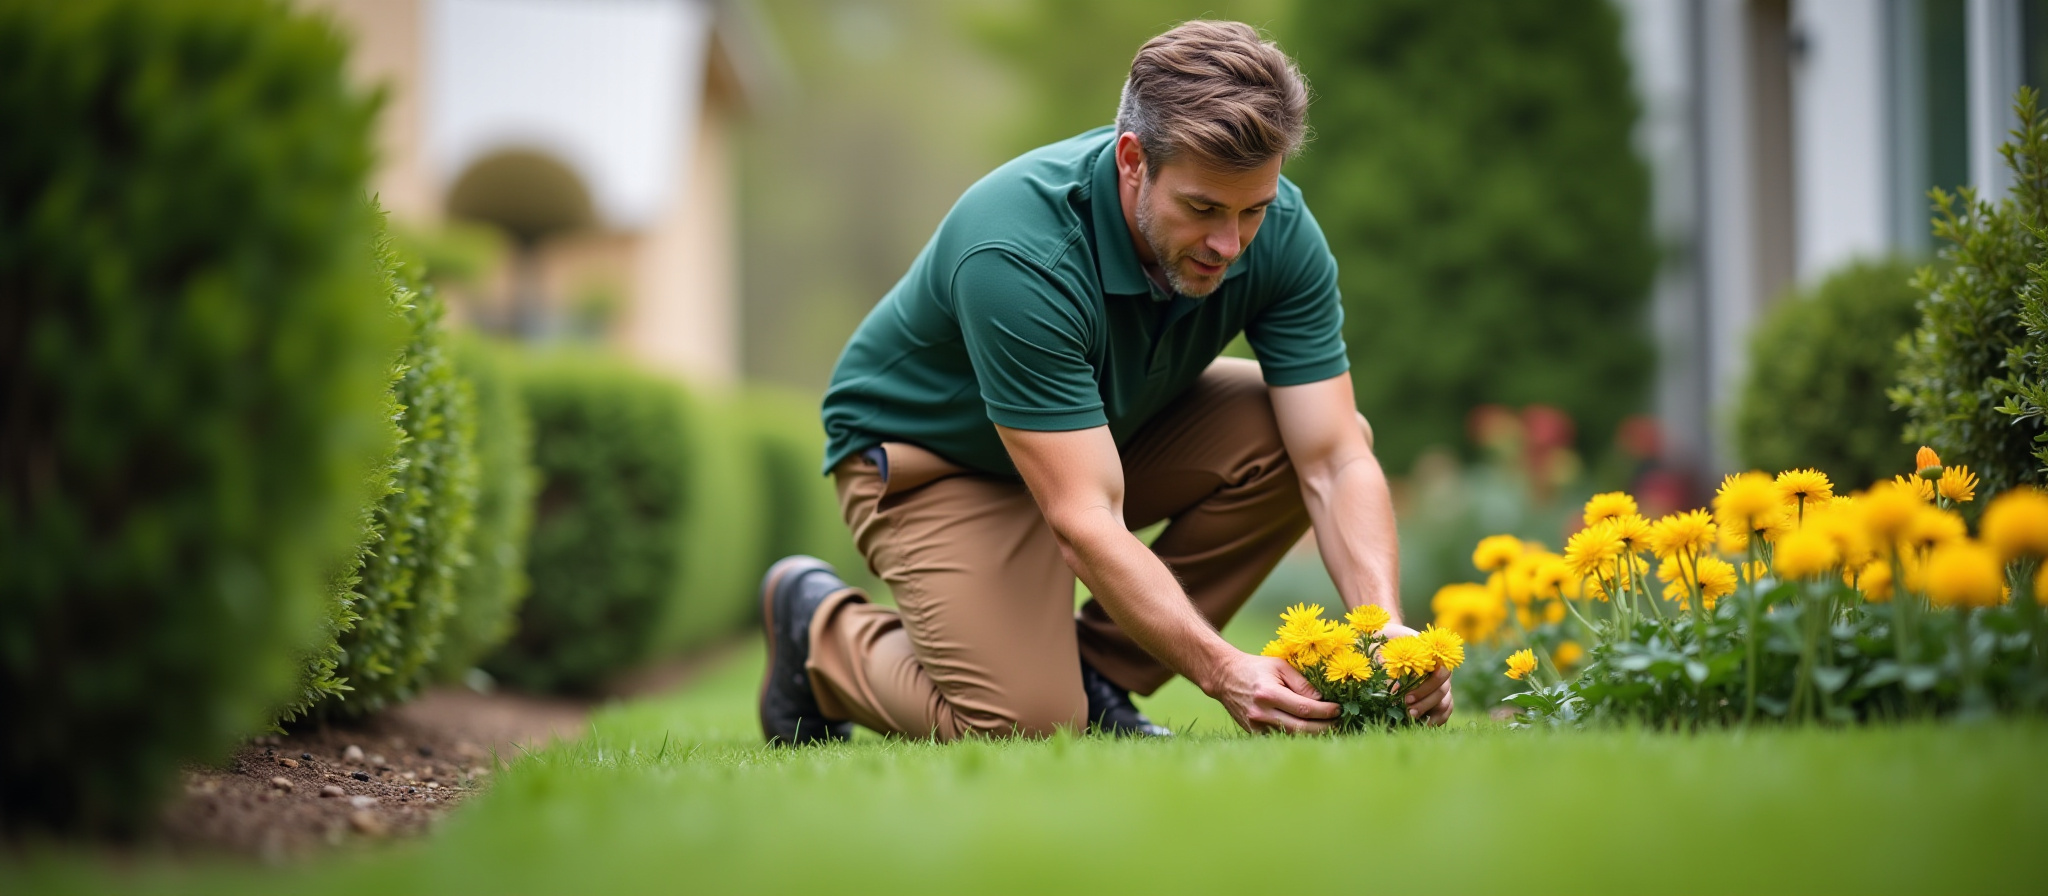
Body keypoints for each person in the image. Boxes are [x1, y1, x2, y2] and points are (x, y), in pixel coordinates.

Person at [758, 20, 1451, 745]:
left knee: (1295, 432)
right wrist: (1223, 670)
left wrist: (1385, 630)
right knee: (1027, 724)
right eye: (1203, 209)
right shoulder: (1018, 253)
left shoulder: (1279, 233)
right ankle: (820, 635)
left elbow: (1337, 460)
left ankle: (1094, 671)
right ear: (1131, 160)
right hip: (934, 461)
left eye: (1253, 210)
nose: (1230, 244)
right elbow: (1084, 517)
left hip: (1098, 436)